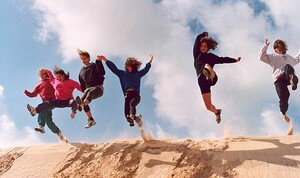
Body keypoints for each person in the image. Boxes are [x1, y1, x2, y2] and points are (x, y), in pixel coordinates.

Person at [193, 32, 241, 124]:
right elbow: (197, 38)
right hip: (202, 81)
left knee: (207, 65)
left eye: (205, 46)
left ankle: (207, 72)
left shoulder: (211, 57)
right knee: (208, 106)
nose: (203, 47)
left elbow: (223, 59)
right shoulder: (197, 55)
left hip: (212, 78)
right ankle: (217, 112)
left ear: (207, 48)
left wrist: (235, 60)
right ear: (199, 47)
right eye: (202, 46)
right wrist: (203, 34)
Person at [98, 54, 153, 127]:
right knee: (126, 115)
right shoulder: (122, 74)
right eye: (126, 66)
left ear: (133, 66)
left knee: (132, 105)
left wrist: (150, 61)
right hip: (127, 96)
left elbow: (146, 69)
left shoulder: (138, 74)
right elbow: (114, 68)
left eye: (129, 66)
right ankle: (136, 119)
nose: (127, 68)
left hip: (136, 95)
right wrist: (105, 60)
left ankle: (132, 117)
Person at [259, 39, 300, 123]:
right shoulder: (273, 56)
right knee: (284, 96)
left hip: (287, 77)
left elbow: (298, 58)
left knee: (288, 67)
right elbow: (261, 57)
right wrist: (265, 47)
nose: (277, 49)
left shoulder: (289, 58)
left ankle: (292, 79)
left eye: (279, 47)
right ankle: (283, 113)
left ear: (283, 47)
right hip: (278, 80)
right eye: (276, 48)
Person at [24, 69, 68, 143]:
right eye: (40, 74)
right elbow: (33, 94)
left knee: (41, 108)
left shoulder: (51, 80)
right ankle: (58, 133)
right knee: (49, 121)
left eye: (43, 74)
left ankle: (36, 112)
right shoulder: (38, 85)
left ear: (46, 74)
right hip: (45, 104)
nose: (41, 75)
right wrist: (27, 93)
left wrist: (46, 70)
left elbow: (51, 76)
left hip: (53, 100)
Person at [77, 49, 105, 129]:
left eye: (85, 59)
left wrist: (99, 62)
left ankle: (82, 104)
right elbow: (82, 84)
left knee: (89, 95)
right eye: (82, 59)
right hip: (87, 89)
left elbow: (102, 72)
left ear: (89, 58)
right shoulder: (81, 72)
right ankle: (91, 120)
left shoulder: (94, 65)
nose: (83, 60)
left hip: (98, 88)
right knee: (82, 100)